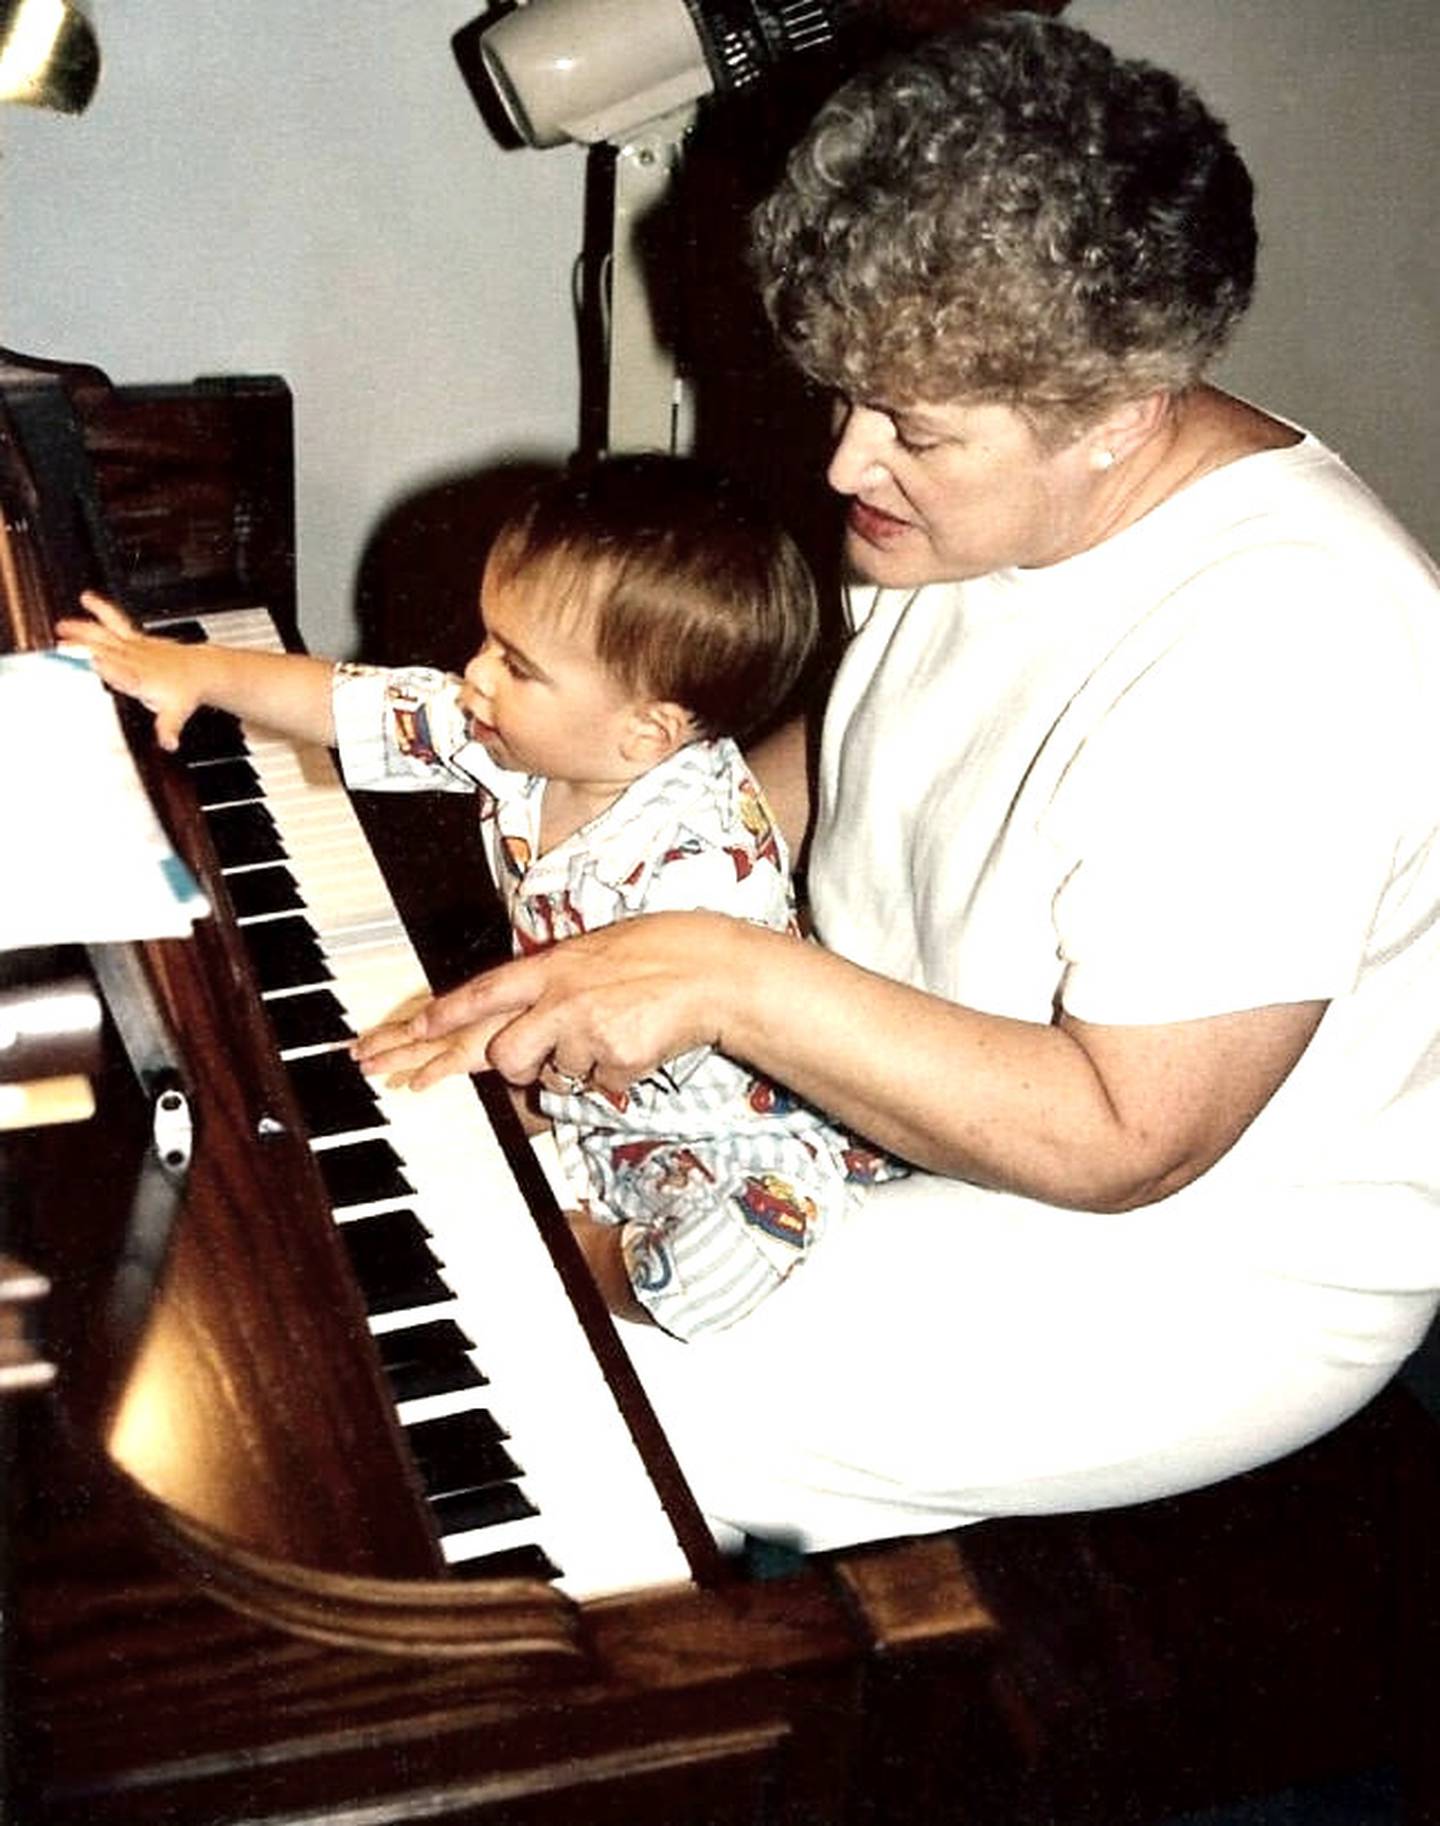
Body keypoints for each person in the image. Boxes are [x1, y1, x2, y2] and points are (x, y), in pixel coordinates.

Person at [355, 14, 1440, 1554]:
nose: (848, 461)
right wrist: (629, 882)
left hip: (1182, 1252)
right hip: (875, 1081)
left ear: (1125, 412)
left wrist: (718, 975)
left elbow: (1130, 1140)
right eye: (847, 397)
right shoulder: (970, 501)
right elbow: (860, 750)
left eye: (913, 429)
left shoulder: (1290, 647)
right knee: (463, 1212)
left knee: (546, 1406)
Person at [58, 454, 900, 1341]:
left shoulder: (698, 876)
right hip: (591, 1075)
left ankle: (582, 1251)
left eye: (518, 664)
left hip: (719, 1119)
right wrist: (193, 671)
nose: (477, 675)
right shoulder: (536, 737)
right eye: (491, 640)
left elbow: (623, 1044)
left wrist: (502, 1060)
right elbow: (357, 706)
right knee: (407, 1099)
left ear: (645, 730)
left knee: (719, 1271)